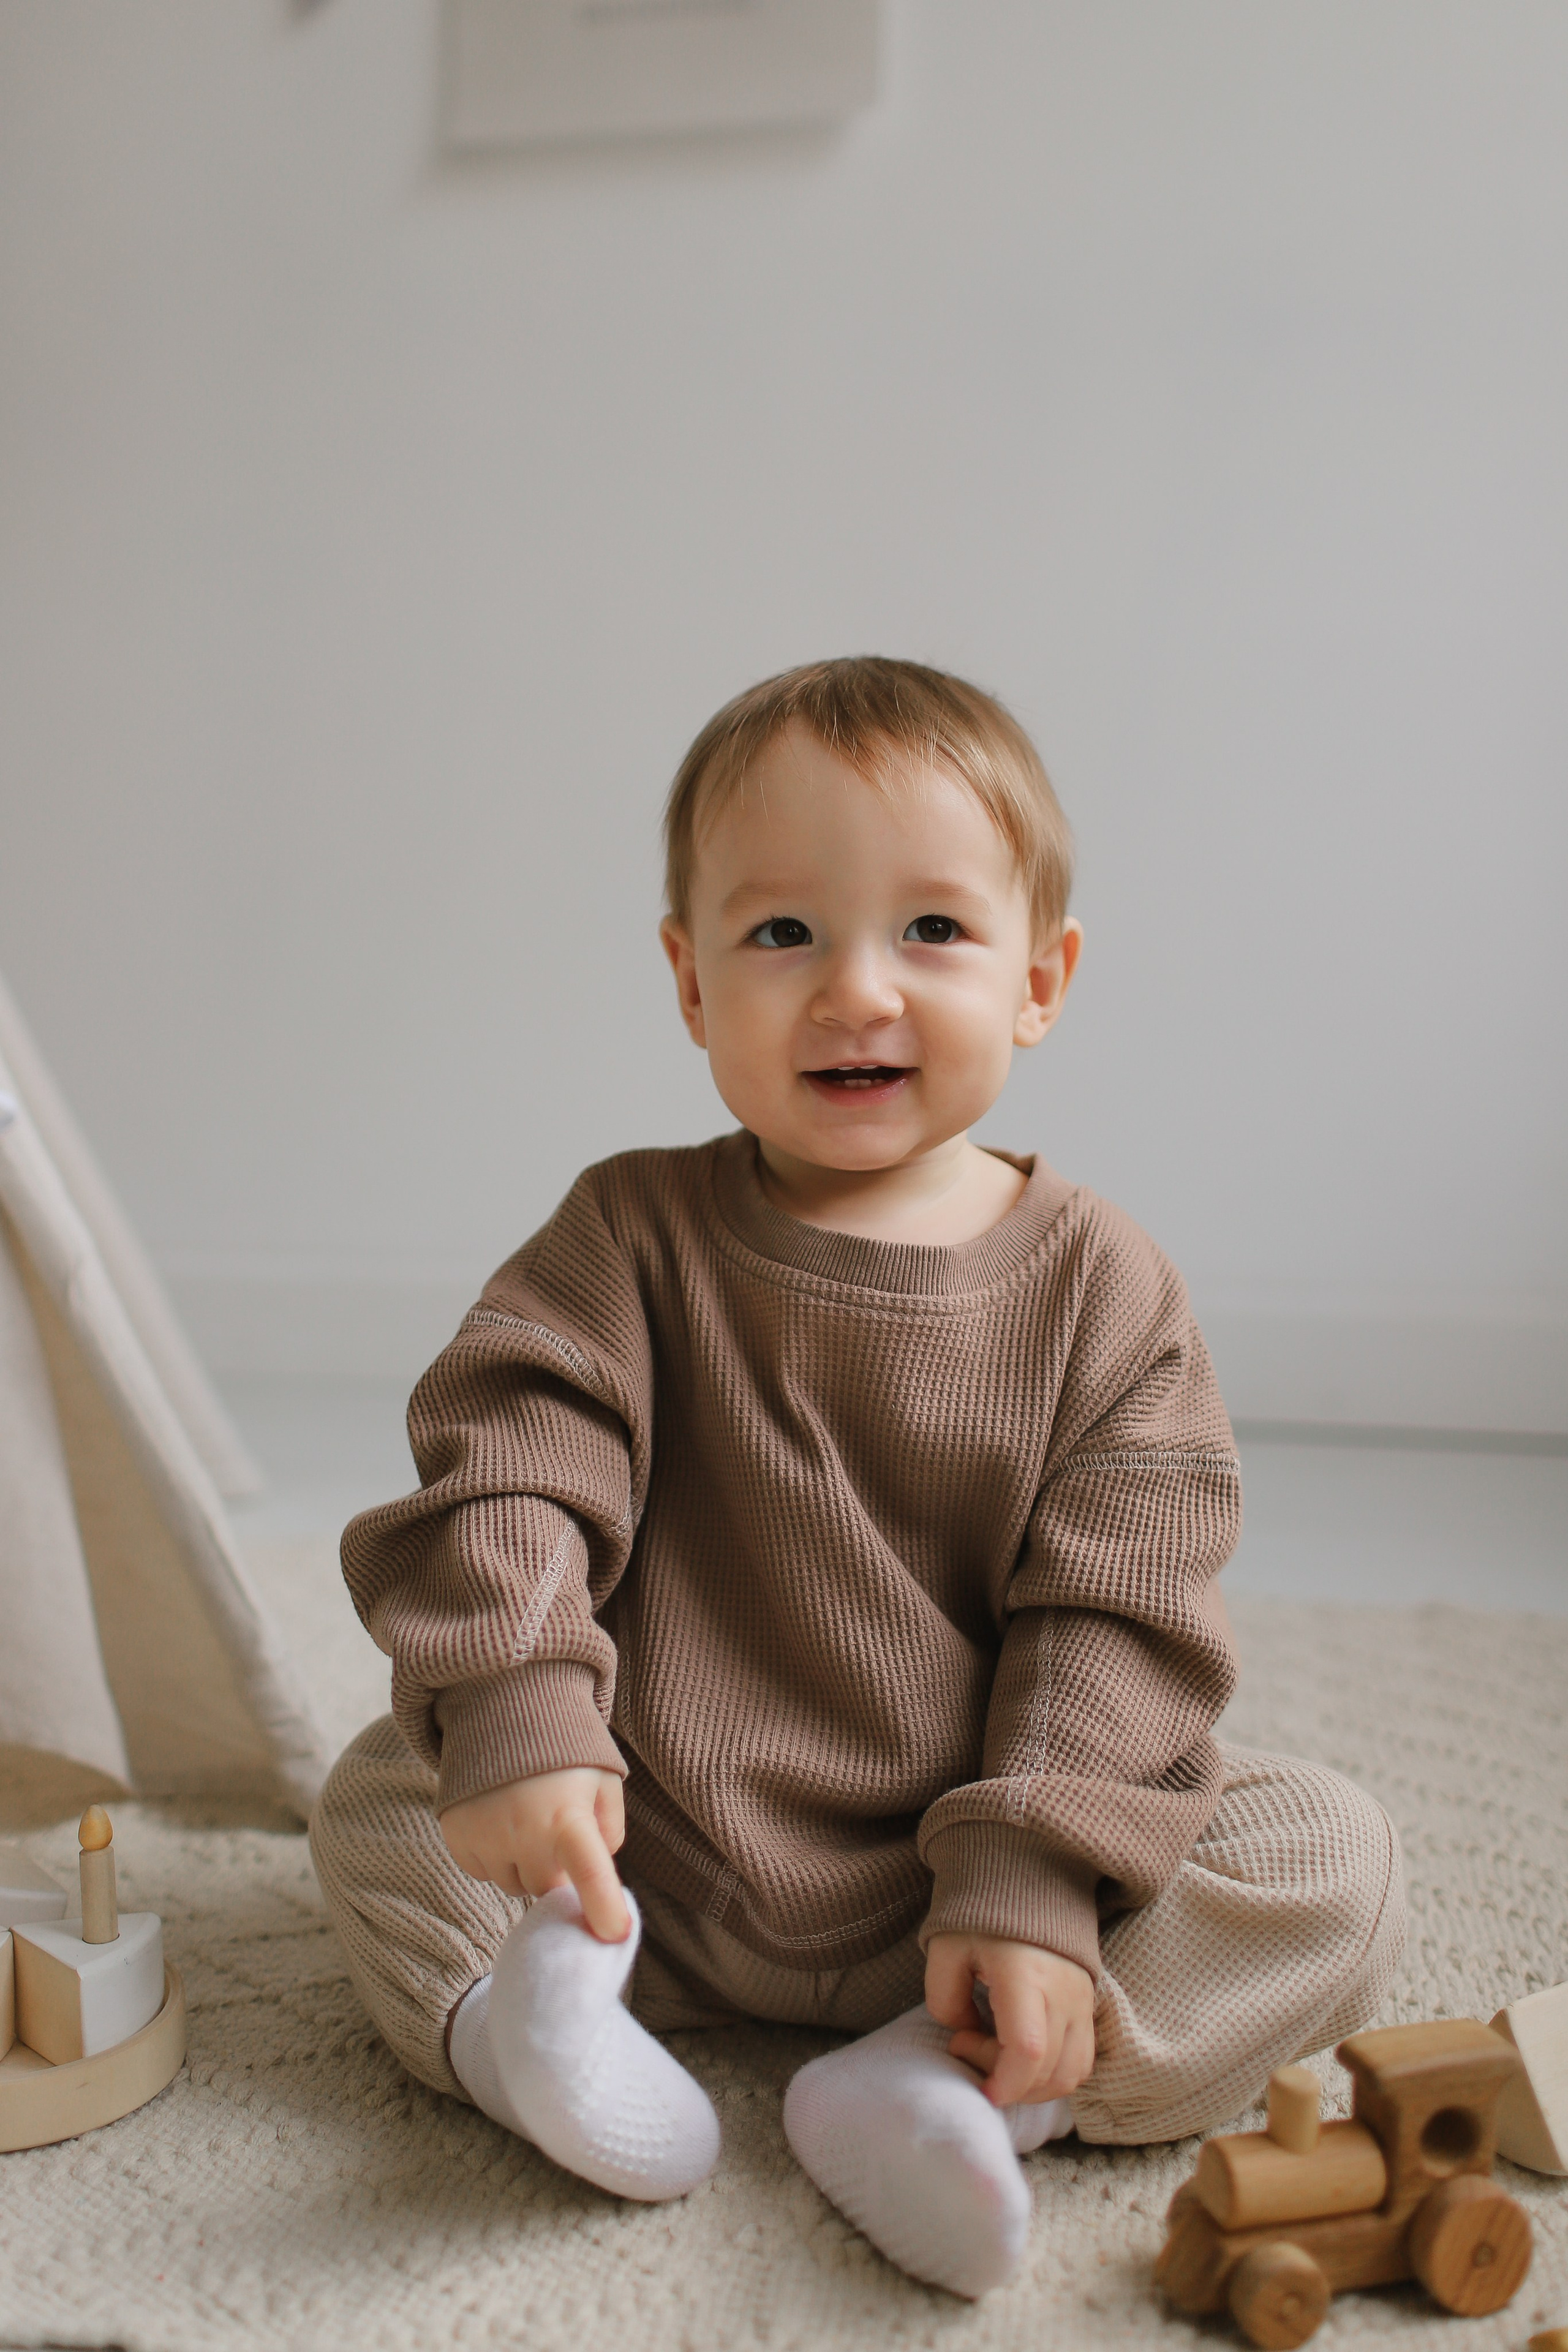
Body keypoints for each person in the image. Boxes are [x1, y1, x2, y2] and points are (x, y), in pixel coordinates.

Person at [310, 658, 1404, 2299]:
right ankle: (537, 2031)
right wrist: (526, 1712)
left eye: (934, 931)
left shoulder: (1104, 1289)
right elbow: (508, 1477)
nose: (857, 991)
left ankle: (956, 2082)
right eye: (783, 933)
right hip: (639, 1852)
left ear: (1042, 978)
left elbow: (1117, 1623)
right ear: (690, 983)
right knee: (386, 1794)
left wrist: (1034, 1882)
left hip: (964, 1884)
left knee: (1326, 1858)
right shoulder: (626, 1235)